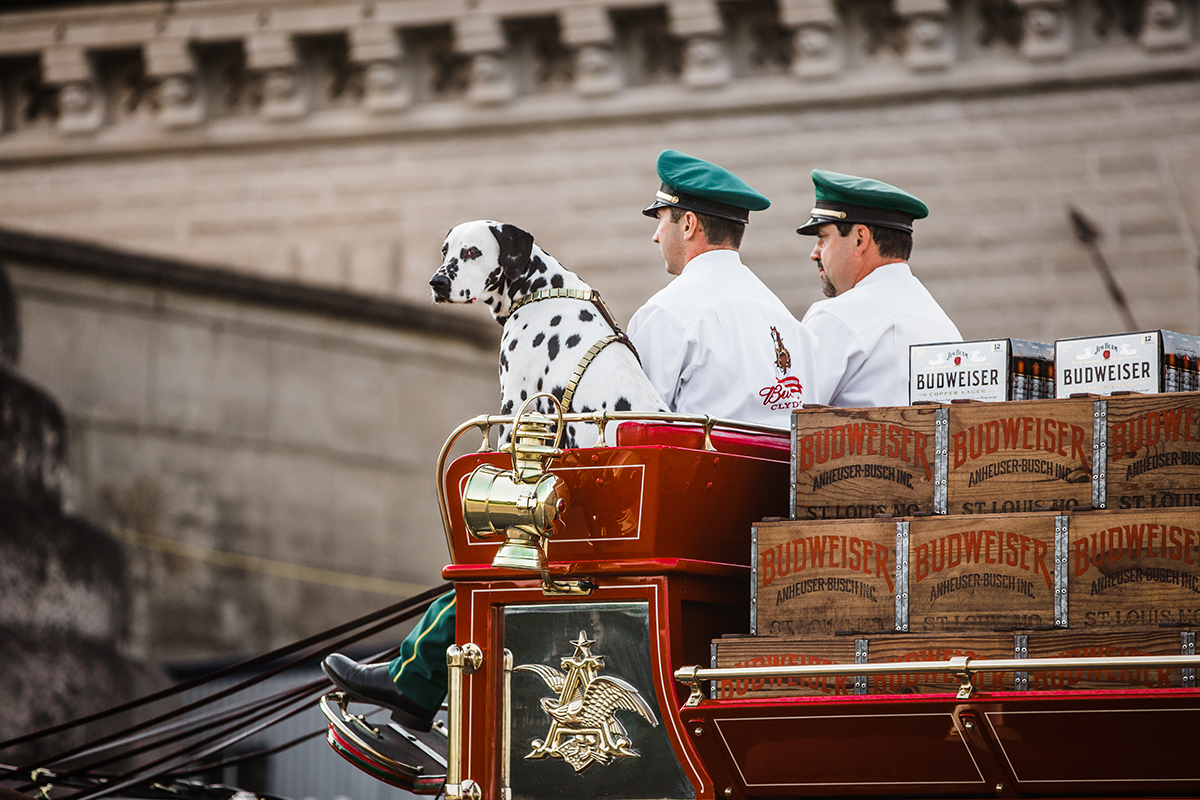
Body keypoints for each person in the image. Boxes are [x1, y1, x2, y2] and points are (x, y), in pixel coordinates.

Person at [629, 150, 821, 424]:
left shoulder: (666, 314)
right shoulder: (793, 326)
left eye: (661, 218)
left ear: (688, 225)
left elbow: (636, 429)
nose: (655, 236)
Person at [796, 169, 961, 408]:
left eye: (823, 238)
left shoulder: (837, 317)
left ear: (860, 239)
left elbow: (783, 418)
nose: (815, 253)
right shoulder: (944, 325)